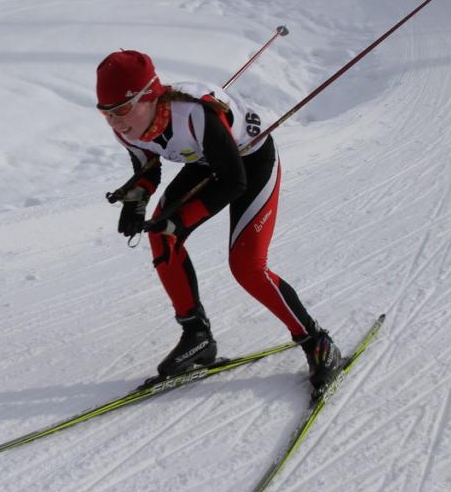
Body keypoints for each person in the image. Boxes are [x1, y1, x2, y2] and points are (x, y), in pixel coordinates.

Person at [96, 49, 342, 400]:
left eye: (121, 109)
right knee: (161, 237)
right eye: (106, 113)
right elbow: (147, 164)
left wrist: (180, 220)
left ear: (149, 96)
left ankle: (317, 342)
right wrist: (137, 197)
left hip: (249, 162)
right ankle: (197, 337)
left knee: (247, 267)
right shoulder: (128, 129)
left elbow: (233, 181)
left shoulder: (195, 115)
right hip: (205, 162)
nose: (116, 122)